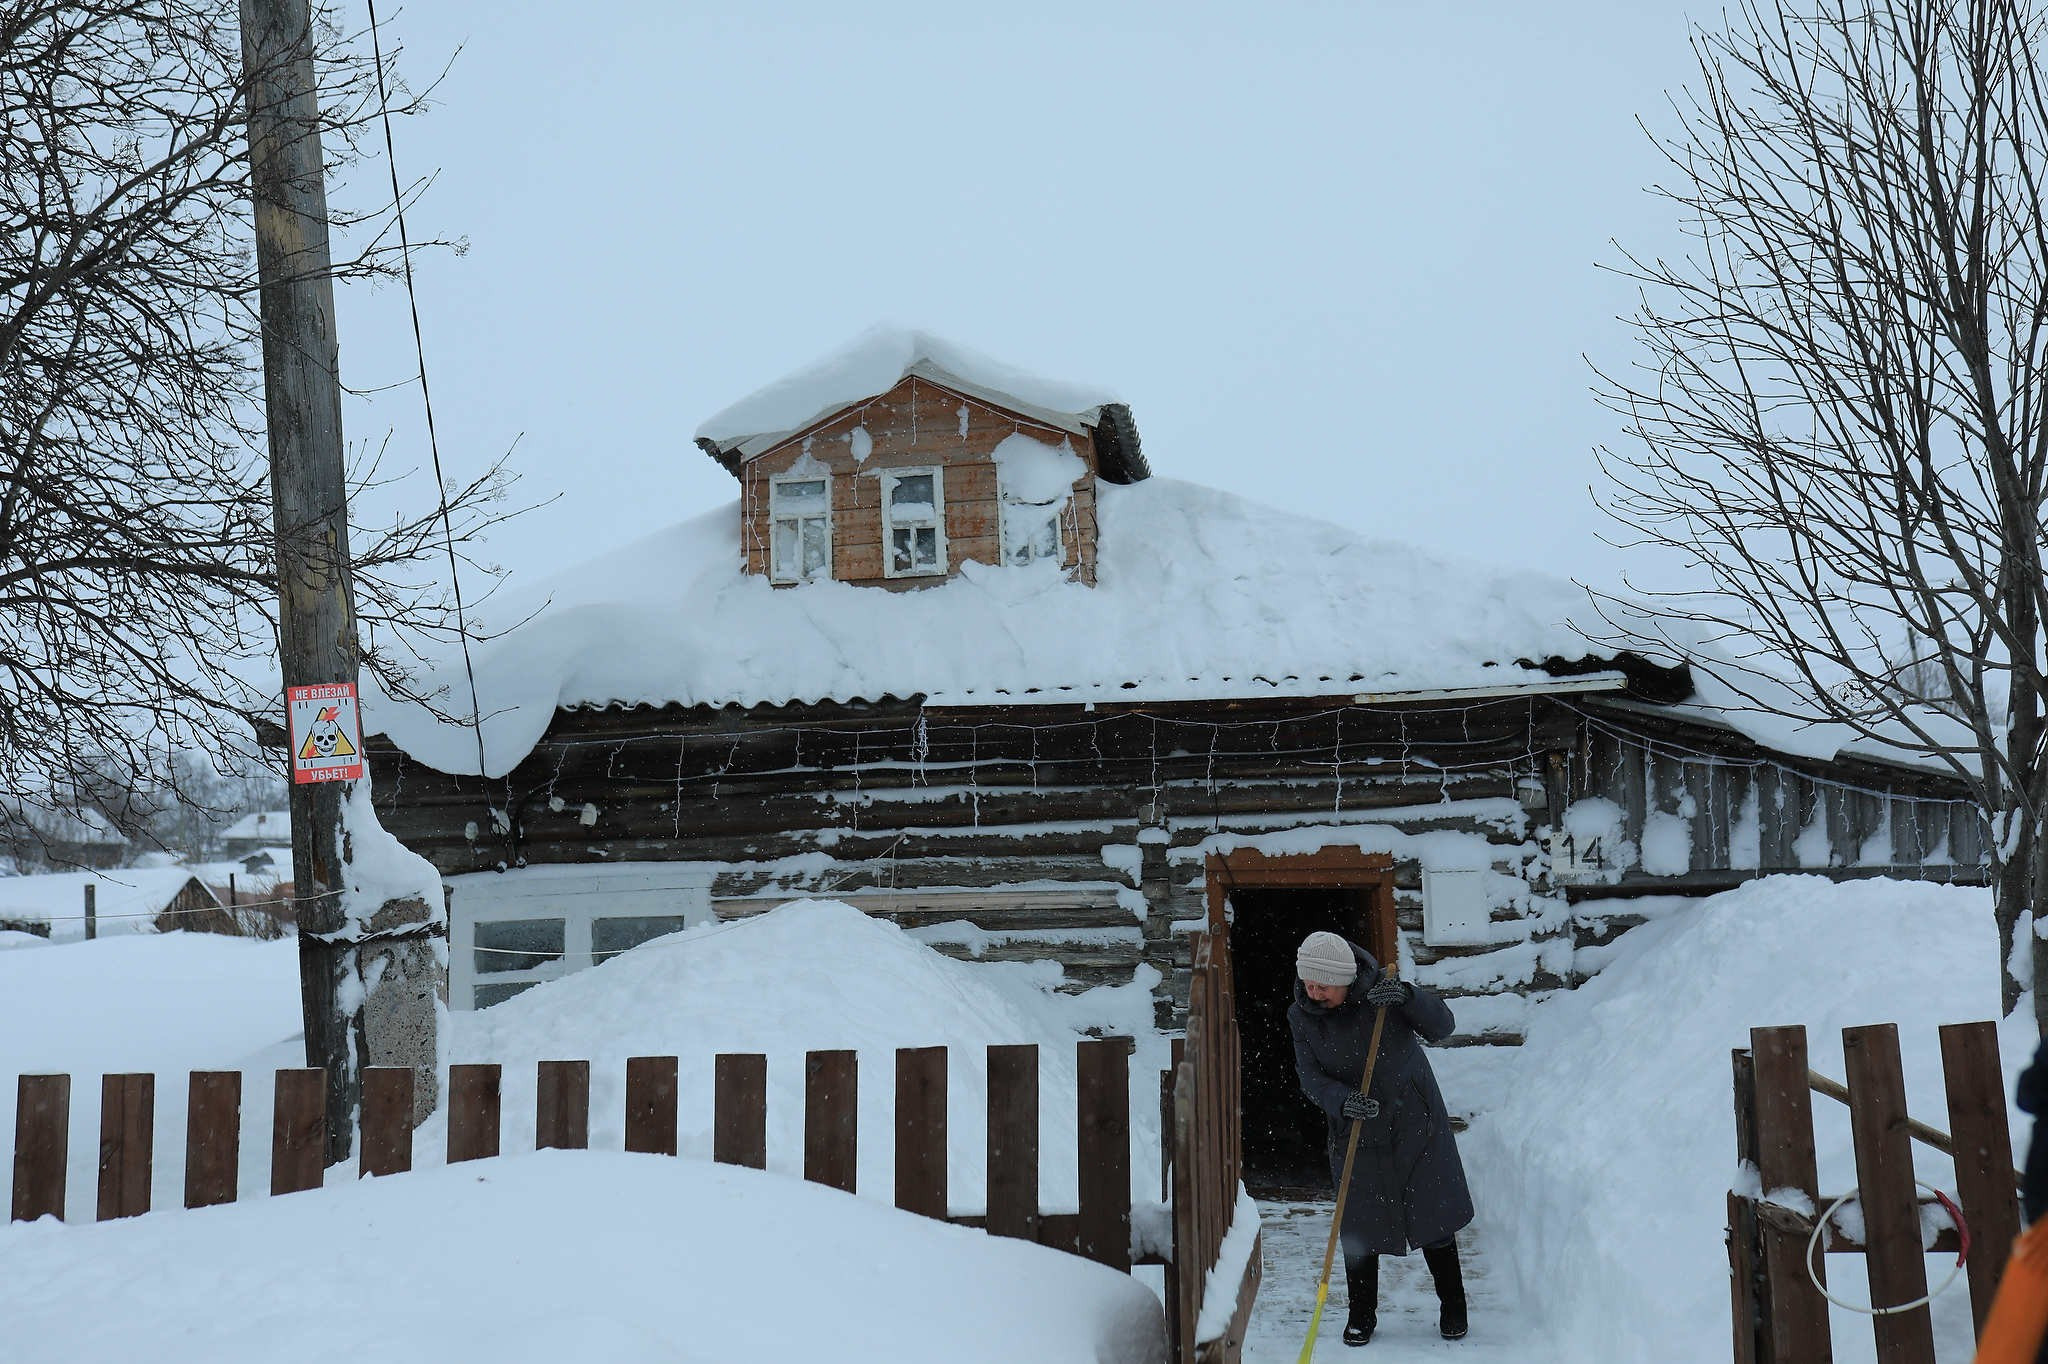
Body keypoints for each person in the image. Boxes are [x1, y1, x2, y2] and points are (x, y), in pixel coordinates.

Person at [1288, 929, 1473, 1346]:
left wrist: (1409, 997)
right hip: (1356, 1126)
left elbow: (1442, 1026)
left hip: (1414, 1120)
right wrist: (1342, 1100)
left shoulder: (1384, 996)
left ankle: (1453, 1306)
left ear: (1347, 978)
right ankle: (1362, 1315)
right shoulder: (1300, 1016)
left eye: (1323, 985)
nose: (1313, 992)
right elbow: (1310, 1078)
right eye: (1308, 983)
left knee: (1433, 1216)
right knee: (1359, 1226)